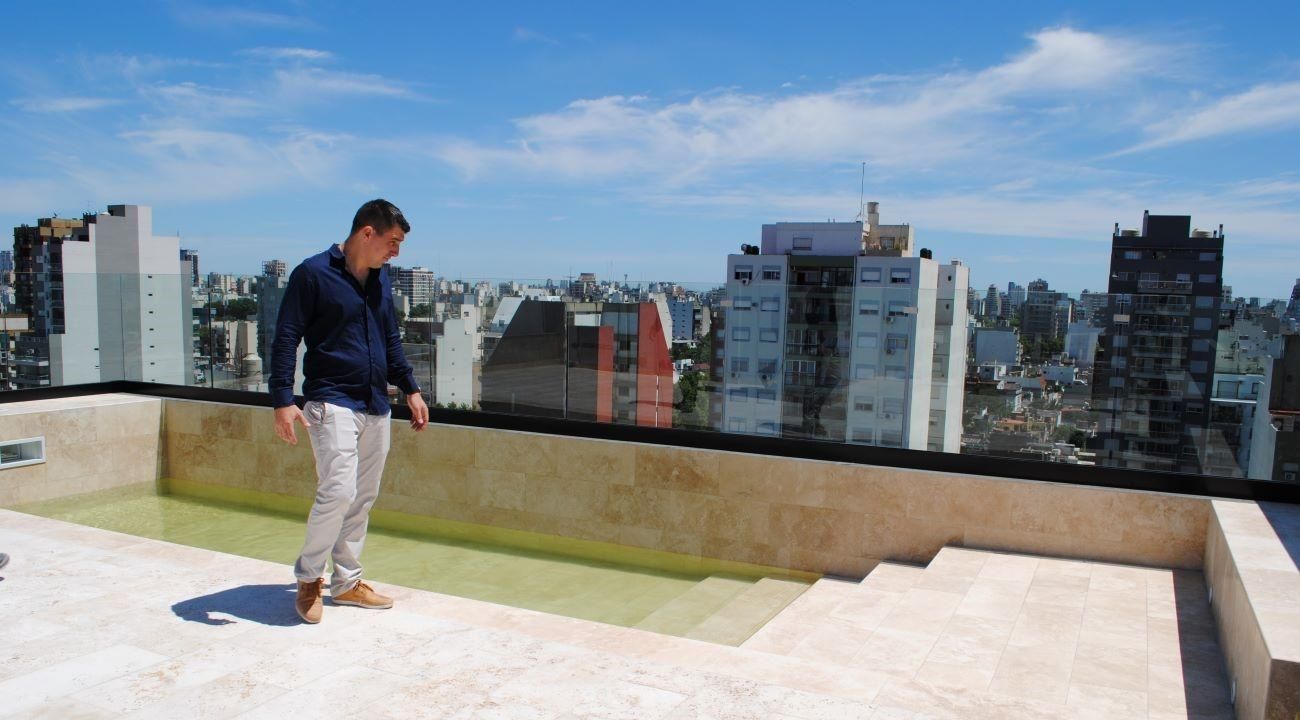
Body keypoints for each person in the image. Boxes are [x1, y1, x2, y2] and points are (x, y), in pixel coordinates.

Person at [270, 199, 429, 624]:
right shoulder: (312, 274)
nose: (396, 251)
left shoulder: (381, 279)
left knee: (362, 497)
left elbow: (389, 338)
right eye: (393, 242)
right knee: (338, 490)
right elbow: (286, 337)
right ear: (367, 233)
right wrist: (282, 399)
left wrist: (411, 389)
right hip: (330, 398)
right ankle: (309, 579)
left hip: (375, 401)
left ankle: (347, 582)